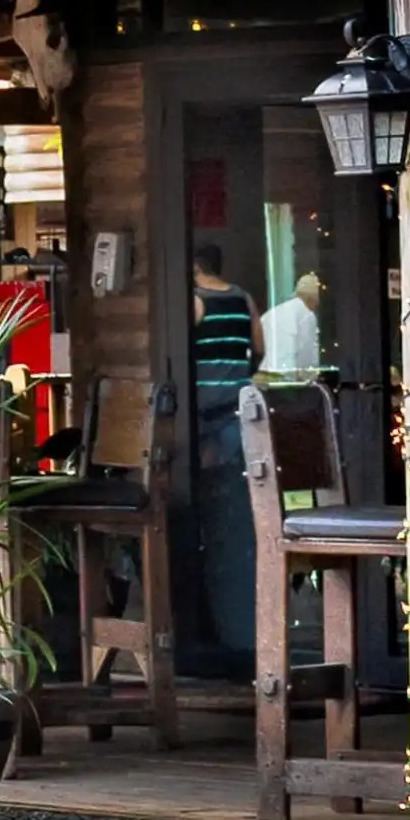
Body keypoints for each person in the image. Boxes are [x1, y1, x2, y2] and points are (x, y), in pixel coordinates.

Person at [190, 245, 262, 661]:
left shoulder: (195, 302)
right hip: (239, 406)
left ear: (195, 268)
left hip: (205, 412)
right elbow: (259, 348)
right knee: (239, 491)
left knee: (211, 493)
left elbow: (182, 352)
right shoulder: (243, 298)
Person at [260, 271, 324, 378]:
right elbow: (308, 354)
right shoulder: (307, 315)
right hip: (288, 379)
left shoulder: (273, 313)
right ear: (313, 298)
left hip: (265, 375)